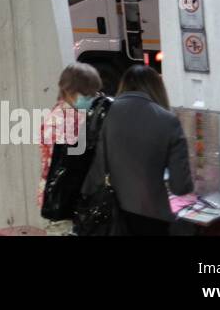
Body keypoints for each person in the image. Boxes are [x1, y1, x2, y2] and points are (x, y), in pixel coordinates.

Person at [82, 65, 191, 236]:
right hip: (153, 217)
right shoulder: (169, 120)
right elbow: (180, 186)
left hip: (113, 214)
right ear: (157, 88)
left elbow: (96, 172)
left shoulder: (106, 114)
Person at [38, 62, 107, 230]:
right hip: (62, 201)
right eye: (87, 93)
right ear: (68, 91)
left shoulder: (70, 113)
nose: (92, 98)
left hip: (64, 197)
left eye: (94, 93)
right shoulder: (63, 121)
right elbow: (69, 168)